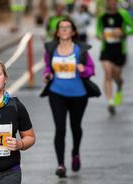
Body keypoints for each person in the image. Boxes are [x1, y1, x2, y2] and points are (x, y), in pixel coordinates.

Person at [40, 18, 97, 178]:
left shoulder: (80, 50)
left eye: (68, 27)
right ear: (57, 32)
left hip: (78, 95)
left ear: (73, 32)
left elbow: (91, 69)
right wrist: (47, 75)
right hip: (56, 93)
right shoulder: (51, 49)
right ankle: (60, 164)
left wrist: (83, 69)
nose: (64, 30)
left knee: (75, 127)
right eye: (61, 28)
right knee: (60, 129)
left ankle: (75, 153)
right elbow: (47, 67)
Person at [96, 0, 133, 115]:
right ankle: (110, 102)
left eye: (114, 1)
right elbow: (98, 30)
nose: (112, 3)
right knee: (108, 74)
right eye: (110, 1)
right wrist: (100, 35)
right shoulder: (102, 16)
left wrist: (123, 32)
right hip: (106, 50)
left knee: (116, 76)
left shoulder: (123, 14)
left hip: (120, 50)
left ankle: (119, 85)